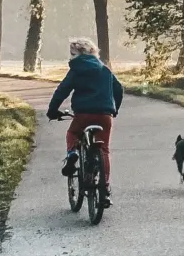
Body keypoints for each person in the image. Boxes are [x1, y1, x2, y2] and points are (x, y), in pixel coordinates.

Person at [47, 37, 126, 207]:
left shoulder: (76, 70)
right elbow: (119, 89)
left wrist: (52, 111)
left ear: (75, 54)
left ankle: (72, 154)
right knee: (103, 149)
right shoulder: (104, 69)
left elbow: (61, 91)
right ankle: (104, 192)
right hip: (104, 115)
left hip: (83, 115)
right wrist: (114, 109)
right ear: (93, 52)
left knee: (72, 133)